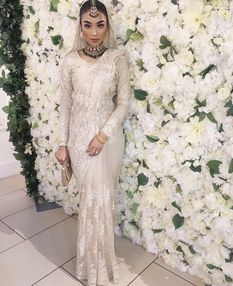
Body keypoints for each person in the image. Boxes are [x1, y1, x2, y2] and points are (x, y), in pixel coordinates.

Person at [55, 0, 131, 285]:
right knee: (88, 203)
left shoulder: (117, 58)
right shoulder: (70, 61)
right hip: (79, 143)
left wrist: (102, 135)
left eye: (100, 24)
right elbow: (65, 106)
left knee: (102, 203)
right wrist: (62, 143)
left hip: (107, 141)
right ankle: (88, 267)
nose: (94, 32)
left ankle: (102, 269)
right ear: (80, 26)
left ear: (107, 25)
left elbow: (123, 104)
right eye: (88, 25)